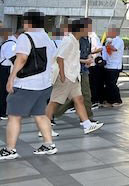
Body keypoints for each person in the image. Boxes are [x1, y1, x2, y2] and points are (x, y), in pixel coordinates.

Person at [0, 11, 59, 160]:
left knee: (14, 116)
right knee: (40, 114)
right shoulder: (47, 37)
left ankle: (10, 149)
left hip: (26, 84)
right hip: (44, 84)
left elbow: (21, 59)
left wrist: (11, 78)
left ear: (28, 22)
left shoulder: (25, 37)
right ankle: (48, 144)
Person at [45, 19, 103, 134]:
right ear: (80, 29)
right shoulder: (69, 41)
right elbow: (60, 58)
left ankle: (87, 125)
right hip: (66, 77)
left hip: (73, 77)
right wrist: (62, 76)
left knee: (79, 100)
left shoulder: (75, 40)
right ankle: (44, 128)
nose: (89, 30)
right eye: (87, 28)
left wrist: (84, 61)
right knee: (54, 102)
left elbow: (71, 58)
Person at [100, 27, 124, 107]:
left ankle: (117, 100)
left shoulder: (119, 40)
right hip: (108, 65)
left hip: (115, 66)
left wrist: (107, 44)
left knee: (112, 84)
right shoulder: (109, 40)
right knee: (107, 84)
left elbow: (114, 49)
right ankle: (109, 101)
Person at [86, 20, 103, 107]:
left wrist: (90, 52)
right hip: (89, 63)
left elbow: (100, 48)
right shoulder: (87, 37)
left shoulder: (93, 37)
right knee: (90, 82)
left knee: (94, 83)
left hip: (94, 64)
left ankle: (95, 100)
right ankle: (93, 99)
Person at [0, 28, 16, 120]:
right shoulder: (11, 43)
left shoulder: (10, 42)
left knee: (4, 91)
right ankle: (2, 112)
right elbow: (13, 59)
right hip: (5, 69)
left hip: (5, 69)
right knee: (4, 91)